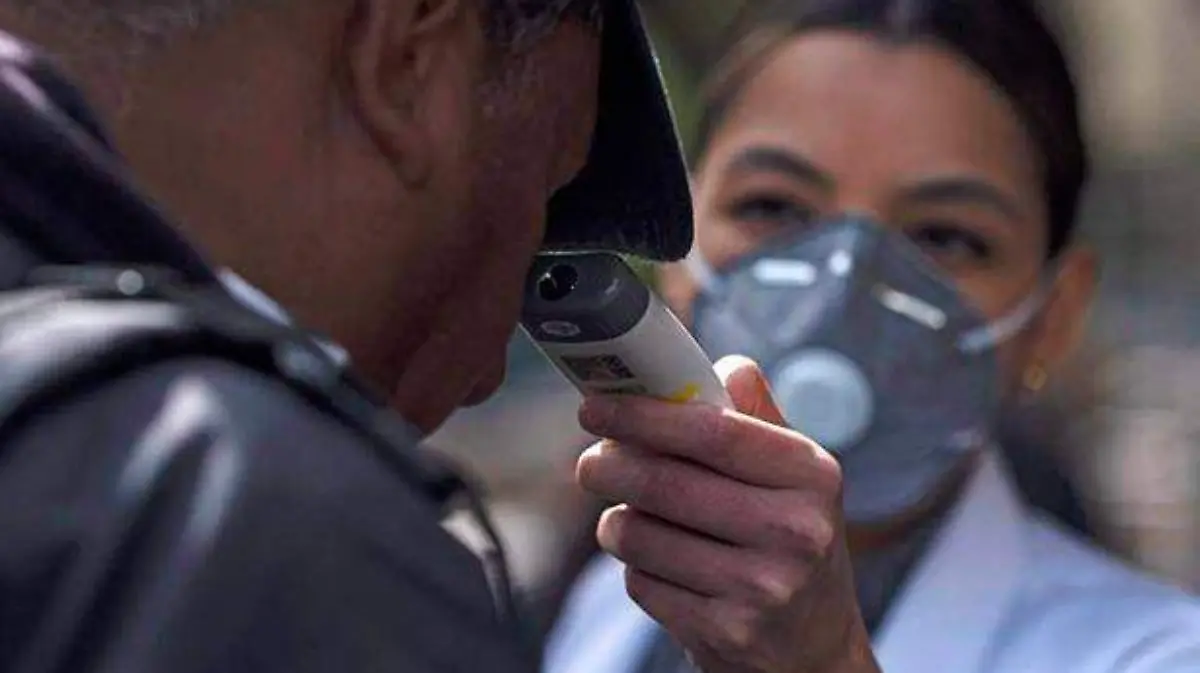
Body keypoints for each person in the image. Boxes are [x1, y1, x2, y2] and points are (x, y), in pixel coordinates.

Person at [545, 1, 1200, 672]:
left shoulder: (1159, 653)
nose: (843, 286)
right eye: (772, 206)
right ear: (673, 257)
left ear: (1054, 317)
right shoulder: (610, 606)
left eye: (945, 237)